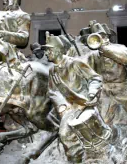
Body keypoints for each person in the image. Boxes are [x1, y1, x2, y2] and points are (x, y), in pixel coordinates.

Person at [43, 32, 111, 162]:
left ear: (57, 51)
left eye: (48, 50)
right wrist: (62, 105)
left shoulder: (75, 63)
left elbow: (95, 78)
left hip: (82, 104)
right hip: (66, 108)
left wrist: (91, 93)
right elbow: (51, 91)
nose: (46, 54)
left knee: (65, 134)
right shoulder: (52, 70)